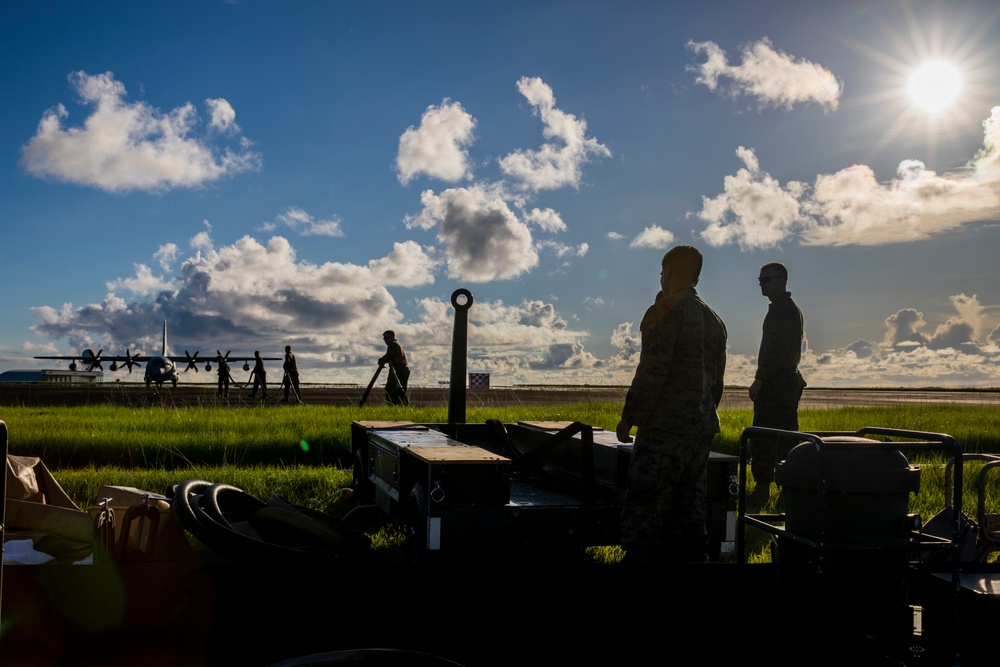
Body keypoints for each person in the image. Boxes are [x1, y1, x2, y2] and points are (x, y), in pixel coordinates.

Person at [615, 245, 727, 564]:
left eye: (662, 272)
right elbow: (717, 381)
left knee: (646, 513)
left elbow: (652, 370)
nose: (661, 278)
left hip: (664, 429)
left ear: (670, 272)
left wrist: (630, 417)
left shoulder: (666, 311)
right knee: (690, 514)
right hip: (699, 429)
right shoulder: (714, 319)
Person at [746, 261, 806, 506]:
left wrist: (760, 378)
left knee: (765, 436)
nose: (761, 284)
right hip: (786, 381)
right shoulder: (787, 308)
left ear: (781, 280)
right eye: (760, 280)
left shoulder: (783, 310)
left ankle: (762, 491)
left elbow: (776, 350)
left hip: (777, 383)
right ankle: (788, 491)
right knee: (787, 437)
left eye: (766, 279)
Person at [378, 330, 409, 406]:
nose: (385, 340)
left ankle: (393, 406)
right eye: (384, 338)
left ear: (392, 337)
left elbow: (388, 356)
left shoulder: (393, 345)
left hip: (398, 370)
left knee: (391, 390)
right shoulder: (395, 345)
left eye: (387, 338)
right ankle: (400, 407)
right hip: (401, 370)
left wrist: (381, 360)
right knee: (399, 391)